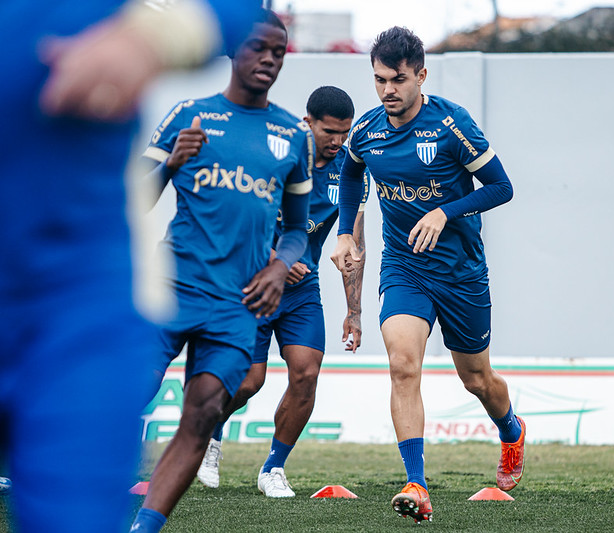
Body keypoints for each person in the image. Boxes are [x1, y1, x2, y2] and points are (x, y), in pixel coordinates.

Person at [0, 1, 261, 532]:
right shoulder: (189, 120)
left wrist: (150, 37)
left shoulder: (275, 133)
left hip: (75, 303)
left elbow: (239, 8)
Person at [330, 26, 525, 524]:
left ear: (421, 75)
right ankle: (416, 482)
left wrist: (446, 212)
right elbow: (351, 172)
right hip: (404, 268)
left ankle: (510, 430)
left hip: (461, 273)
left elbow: (502, 187)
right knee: (402, 365)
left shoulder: (452, 125)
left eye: (397, 80)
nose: (387, 90)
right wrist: (347, 233)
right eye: (378, 80)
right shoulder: (368, 130)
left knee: (477, 379)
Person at [129, 9, 313, 532]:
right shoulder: (191, 116)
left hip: (238, 304)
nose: (270, 59)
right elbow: (134, 199)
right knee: (129, 388)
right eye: (260, 48)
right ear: (235, 48)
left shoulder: (291, 136)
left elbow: (297, 229)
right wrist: (168, 164)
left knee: (205, 409)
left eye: (279, 51)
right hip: (172, 288)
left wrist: (280, 267)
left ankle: (146, 526)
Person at [195, 85, 369, 497]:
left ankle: (273, 468)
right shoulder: (276, 154)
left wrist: (355, 310)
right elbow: (235, 219)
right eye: (329, 131)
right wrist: (277, 258)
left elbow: (352, 247)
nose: (336, 142)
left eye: (344, 134)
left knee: (307, 374)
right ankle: (210, 436)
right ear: (307, 123)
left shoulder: (349, 172)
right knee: (249, 381)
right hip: (253, 282)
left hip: (302, 289)